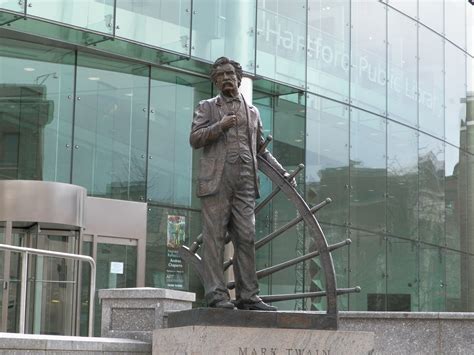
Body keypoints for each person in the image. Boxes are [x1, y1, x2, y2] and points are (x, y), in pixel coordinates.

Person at [189, 57, 295, 311]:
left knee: (246, 236)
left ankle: (248, 295)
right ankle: (216, 294)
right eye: (220, 76)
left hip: (246, 179)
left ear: (238, 78)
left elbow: (260, 150)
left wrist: (282, 173)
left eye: (229, 74)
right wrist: (220, 126)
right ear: (215, 82)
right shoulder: (207, 107)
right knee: (214, 239)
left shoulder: (253, 112)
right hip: (217, 180)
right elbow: (195, 138)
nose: (226, 78)